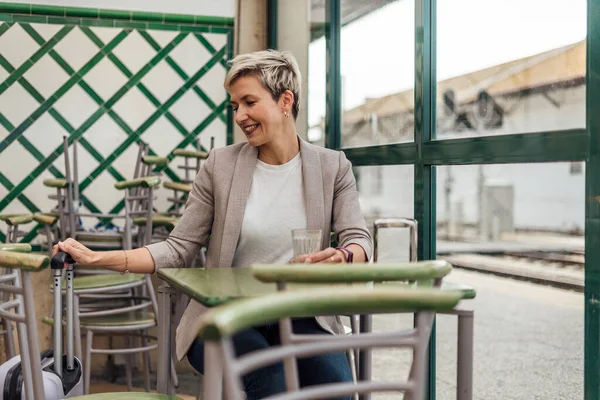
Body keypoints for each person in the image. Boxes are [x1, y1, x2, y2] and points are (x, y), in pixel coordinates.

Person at [53, 49, 372, 399]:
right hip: (226, 317)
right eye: (235, 106)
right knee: (269, 380)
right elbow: (179, 247)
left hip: (302, 315)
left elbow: (358, 239)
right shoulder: (220, 166)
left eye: (249, 102)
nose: (240, 115)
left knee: (338, 389)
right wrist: (100, 258)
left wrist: (343, 255)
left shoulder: (332, 167)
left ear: (285, 101)